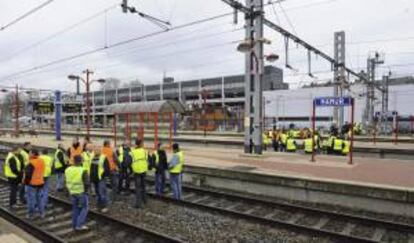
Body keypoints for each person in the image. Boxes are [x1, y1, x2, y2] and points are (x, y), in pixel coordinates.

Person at [65, 155, 90, 231]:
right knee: (84, 208)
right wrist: (86, 191)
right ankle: (79, 225)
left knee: (75, 208)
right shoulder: (83, 170)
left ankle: (74, 224)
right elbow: (87, 183)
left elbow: (65, 180)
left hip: (72, 191)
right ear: (81, 161)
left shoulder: (68, 169)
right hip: (81, 192)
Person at [23, 149, 45, 219]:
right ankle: (41, 213)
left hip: (32, 184)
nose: (28, 154)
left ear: (33, 154)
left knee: (31, 200)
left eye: (29, 153)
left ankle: (31, 215)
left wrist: (25, 183)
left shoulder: (31, 163)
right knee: (39, 199)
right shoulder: (41, 161)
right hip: (40, 183)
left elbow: (28, 175)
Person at [130, 139, 148, 208]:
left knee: (138, 188)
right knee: (143, 186)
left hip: (137, 171)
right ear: (140, 144)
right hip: (143, 171)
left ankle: (138, 203)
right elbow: (147, 160)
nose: (143, 144)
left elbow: (129, 161)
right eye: (142, 143)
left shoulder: (132, 152)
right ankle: (145, 200)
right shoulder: (145, 151)